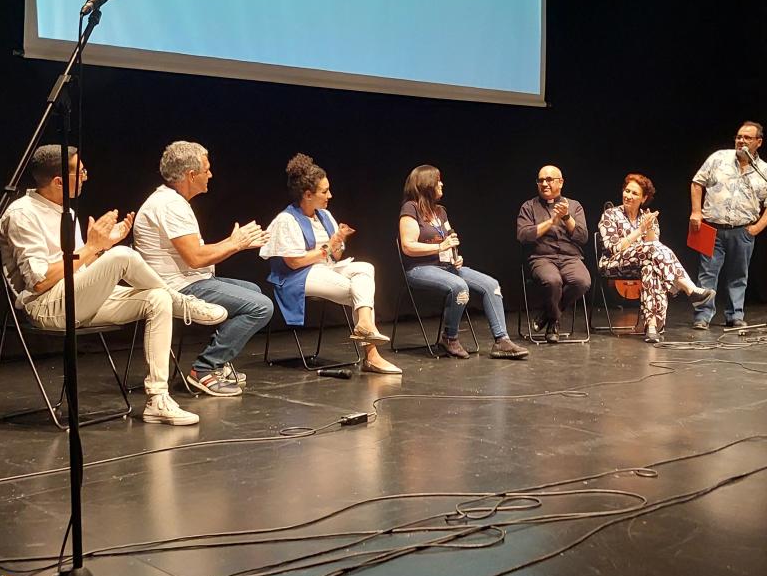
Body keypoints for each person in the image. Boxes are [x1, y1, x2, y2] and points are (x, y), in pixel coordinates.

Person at [0, 145, 226, 426]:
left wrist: (101, 248)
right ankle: (182, 302)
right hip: (46, 307)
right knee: (123, 257)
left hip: (76, 299)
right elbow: (41, 280)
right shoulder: (22, 214)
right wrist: (94, 248)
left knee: (156, 298)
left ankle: (158, 399)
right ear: (58, 180)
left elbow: (81, 266)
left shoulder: (65, 211)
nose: (86, 176)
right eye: (80, 172)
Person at [133, 141, 274, 397]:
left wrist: (237, 246)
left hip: (189, 280)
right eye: (206, 169)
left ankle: (218, 362)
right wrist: (234, 243)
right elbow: (196, 258)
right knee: (261, 306)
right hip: (178, 287)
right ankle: (205, 369)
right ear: (191, 175)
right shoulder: (169, 205)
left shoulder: (172, 201)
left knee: (252, 290)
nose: (211, 174)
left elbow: (194, 255)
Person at [260, 153, 401, 375]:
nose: (330, 195)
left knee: (366, 268)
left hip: (324, 268)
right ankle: (372, 355)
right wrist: (329, 246)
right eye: (324, 191)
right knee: (357, 292)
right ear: (308, 194)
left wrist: (339, 241)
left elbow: (334, 258)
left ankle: (364, 324)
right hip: (296, 277)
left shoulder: (324, 216)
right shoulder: (286, 220)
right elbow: (295, 262)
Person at [398, 165, 529, 360]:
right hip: (419, 269)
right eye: (437, 180)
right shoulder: (411, 208)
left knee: (491, 285)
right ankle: (449, 338)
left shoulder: (440, 212)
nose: (442, 184)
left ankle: (502, 341)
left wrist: (454, 256)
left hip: (447, 267)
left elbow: (449, 239)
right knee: (459, 286)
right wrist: (441, 247)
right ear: (426, 185)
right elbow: (408, 246)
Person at [688, 121, 767, 329]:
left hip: (743, 231)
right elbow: (697, 183)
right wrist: (696, 212)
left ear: (758, 142)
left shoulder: (765, 171)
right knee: (707, 274)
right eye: (739, 137)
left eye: (747, 138)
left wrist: (757, 228)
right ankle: (702, 317)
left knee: (738, 276)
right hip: (711, 227)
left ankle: (734, 316)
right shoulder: (718, 158)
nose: (741, 141)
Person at [598, 173, 714, 343]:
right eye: (627, 191)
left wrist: (649, 227)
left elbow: (656, 252)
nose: (628, 196)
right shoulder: (611, 215)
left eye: (634, 193)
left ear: (644, 198)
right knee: (653, 253)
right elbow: (613, 248)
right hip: (613, 262)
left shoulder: (647, 217)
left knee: (652, 268)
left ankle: (651, 326)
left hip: (641, 263)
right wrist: (639, 231)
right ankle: (690, 289)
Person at [515, 165, 590, 342]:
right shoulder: (529, 206)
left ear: (561, 182)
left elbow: (582, 237)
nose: (544, 184)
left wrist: (566, 218)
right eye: (540, 180)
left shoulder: (574, 206)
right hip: (541, 258)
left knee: (582, 282)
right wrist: (551, 222)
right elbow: (523, 235)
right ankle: (554, 323)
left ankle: (548, 315)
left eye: (549, 180)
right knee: (552, 281)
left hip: (570, 258)